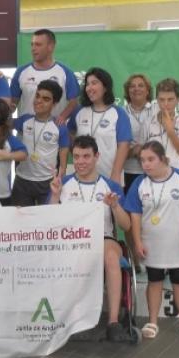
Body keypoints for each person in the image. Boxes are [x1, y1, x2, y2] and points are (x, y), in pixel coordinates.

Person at [49, 136, 130, 342]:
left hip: (103, 237)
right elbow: (50, 222)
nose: (80, 161)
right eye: (76, 157)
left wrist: (115, 206)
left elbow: (126, 225)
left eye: (86, 156)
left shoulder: (110, 185)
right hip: (72, 240)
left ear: (97, 156)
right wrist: (55, 196)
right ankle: (68, 317)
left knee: (111, 258)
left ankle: (113, 322)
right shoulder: (63, 183)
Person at [124, 141, 179, 341]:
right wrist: (137, 242)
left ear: (163, 159)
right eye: (142, 160)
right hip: (152, 245)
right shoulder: (139, 183)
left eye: (151, 159)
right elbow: (134, 215)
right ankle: (152, 322)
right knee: (154, 281)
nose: (146, 164)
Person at [69, 68, 132, 185]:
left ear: (105, 87)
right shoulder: (79, 111)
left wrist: (116, 174)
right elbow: (70, 133)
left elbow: (124, 146)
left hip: (109, 178)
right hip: (82, 179)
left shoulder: (118, 113)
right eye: (87, 84)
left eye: (94, 83)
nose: (89, 88)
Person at [12, 80, 70, 206]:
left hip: (47, 182)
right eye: (37, 96)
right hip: (22, 181)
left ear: (54, 103)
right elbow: (2, 121)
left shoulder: (59, 126)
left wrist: (61, 176)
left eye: (46, 99)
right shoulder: (25, 120)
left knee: (47, 218)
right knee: (22, 218)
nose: (38, 100)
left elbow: (63, 153)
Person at [10, 29, 79, 123]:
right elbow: (12, 103)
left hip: (54, 131)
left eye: (38, 45)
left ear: (51, 47)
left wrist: (62, 117)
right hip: (26, 131)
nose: (33, 48)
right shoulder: (21, 72)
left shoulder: (65, 72)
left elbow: (74, 102)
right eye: (32, 44)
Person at [146, 78, 179, 171]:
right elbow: (142, 153)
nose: (165, 104)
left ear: (178, 100)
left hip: (177, 174)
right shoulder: (147, 122)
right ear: (157, 100)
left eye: (170, 99)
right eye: (162, 99)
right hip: (152, 174)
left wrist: (170, 131)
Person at [122, 74, 154, 194]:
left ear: (147, 91)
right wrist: (132, 151)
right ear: (127, 91)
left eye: (141, 85)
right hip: (127, 171)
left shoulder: (157, 111)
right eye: (132, 86)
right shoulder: (120, 112)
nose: (136, 89)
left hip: (153, 171)